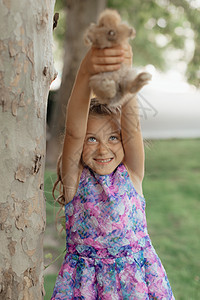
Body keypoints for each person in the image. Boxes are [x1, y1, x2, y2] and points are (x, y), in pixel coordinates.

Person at [51, 44, 175, 299]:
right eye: (92, 139)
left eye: (113, 138)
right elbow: (74, 129)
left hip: (136, 284)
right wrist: (86, 71)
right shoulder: (75, 180)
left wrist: (124, 74)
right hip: (86, 287)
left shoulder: (132, 174)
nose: (103, 149)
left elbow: (133, 127)